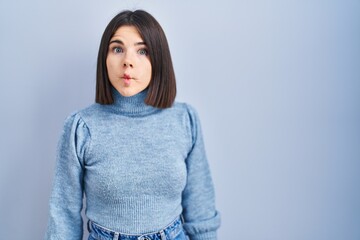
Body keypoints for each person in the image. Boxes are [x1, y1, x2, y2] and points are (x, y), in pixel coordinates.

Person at [45, 9, 220, 240]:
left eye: (142, 51)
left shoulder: (184, 120)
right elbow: (63, 215)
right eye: (117, 49)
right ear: (104, 58)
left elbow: (201, 209)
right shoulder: (81, 128)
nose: (128, 62)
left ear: (158, 59)